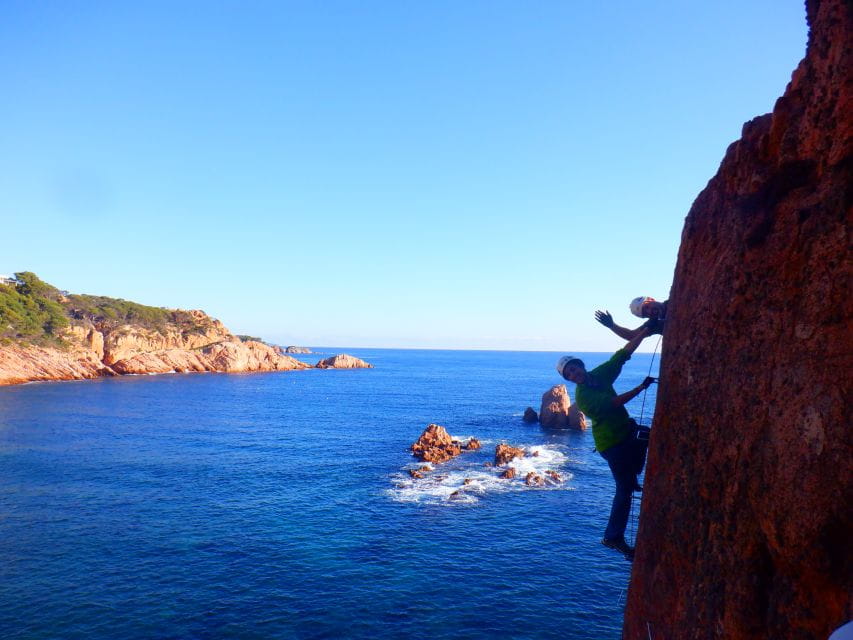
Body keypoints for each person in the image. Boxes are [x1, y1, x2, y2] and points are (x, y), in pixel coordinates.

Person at [556, 326, 656, 560]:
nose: (573, 373)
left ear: (581, 366)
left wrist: (644, 332)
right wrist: (640, 388)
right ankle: (613, 536)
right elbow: (613, 402)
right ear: (569, 379)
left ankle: (632, 479)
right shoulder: (583, 397)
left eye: (574, 368)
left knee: (645, 436)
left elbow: (622, 355)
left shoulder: (600, 375)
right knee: (624, 489)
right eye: (569, 373)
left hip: (625, 431)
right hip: (612, 444)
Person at [594, 296, 668, 340]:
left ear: (651, 299)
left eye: (647, 306)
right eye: (645, 314)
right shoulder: (654, 324)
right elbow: (631, 335)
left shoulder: (674, 299)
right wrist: (612, 325)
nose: (650, 311)